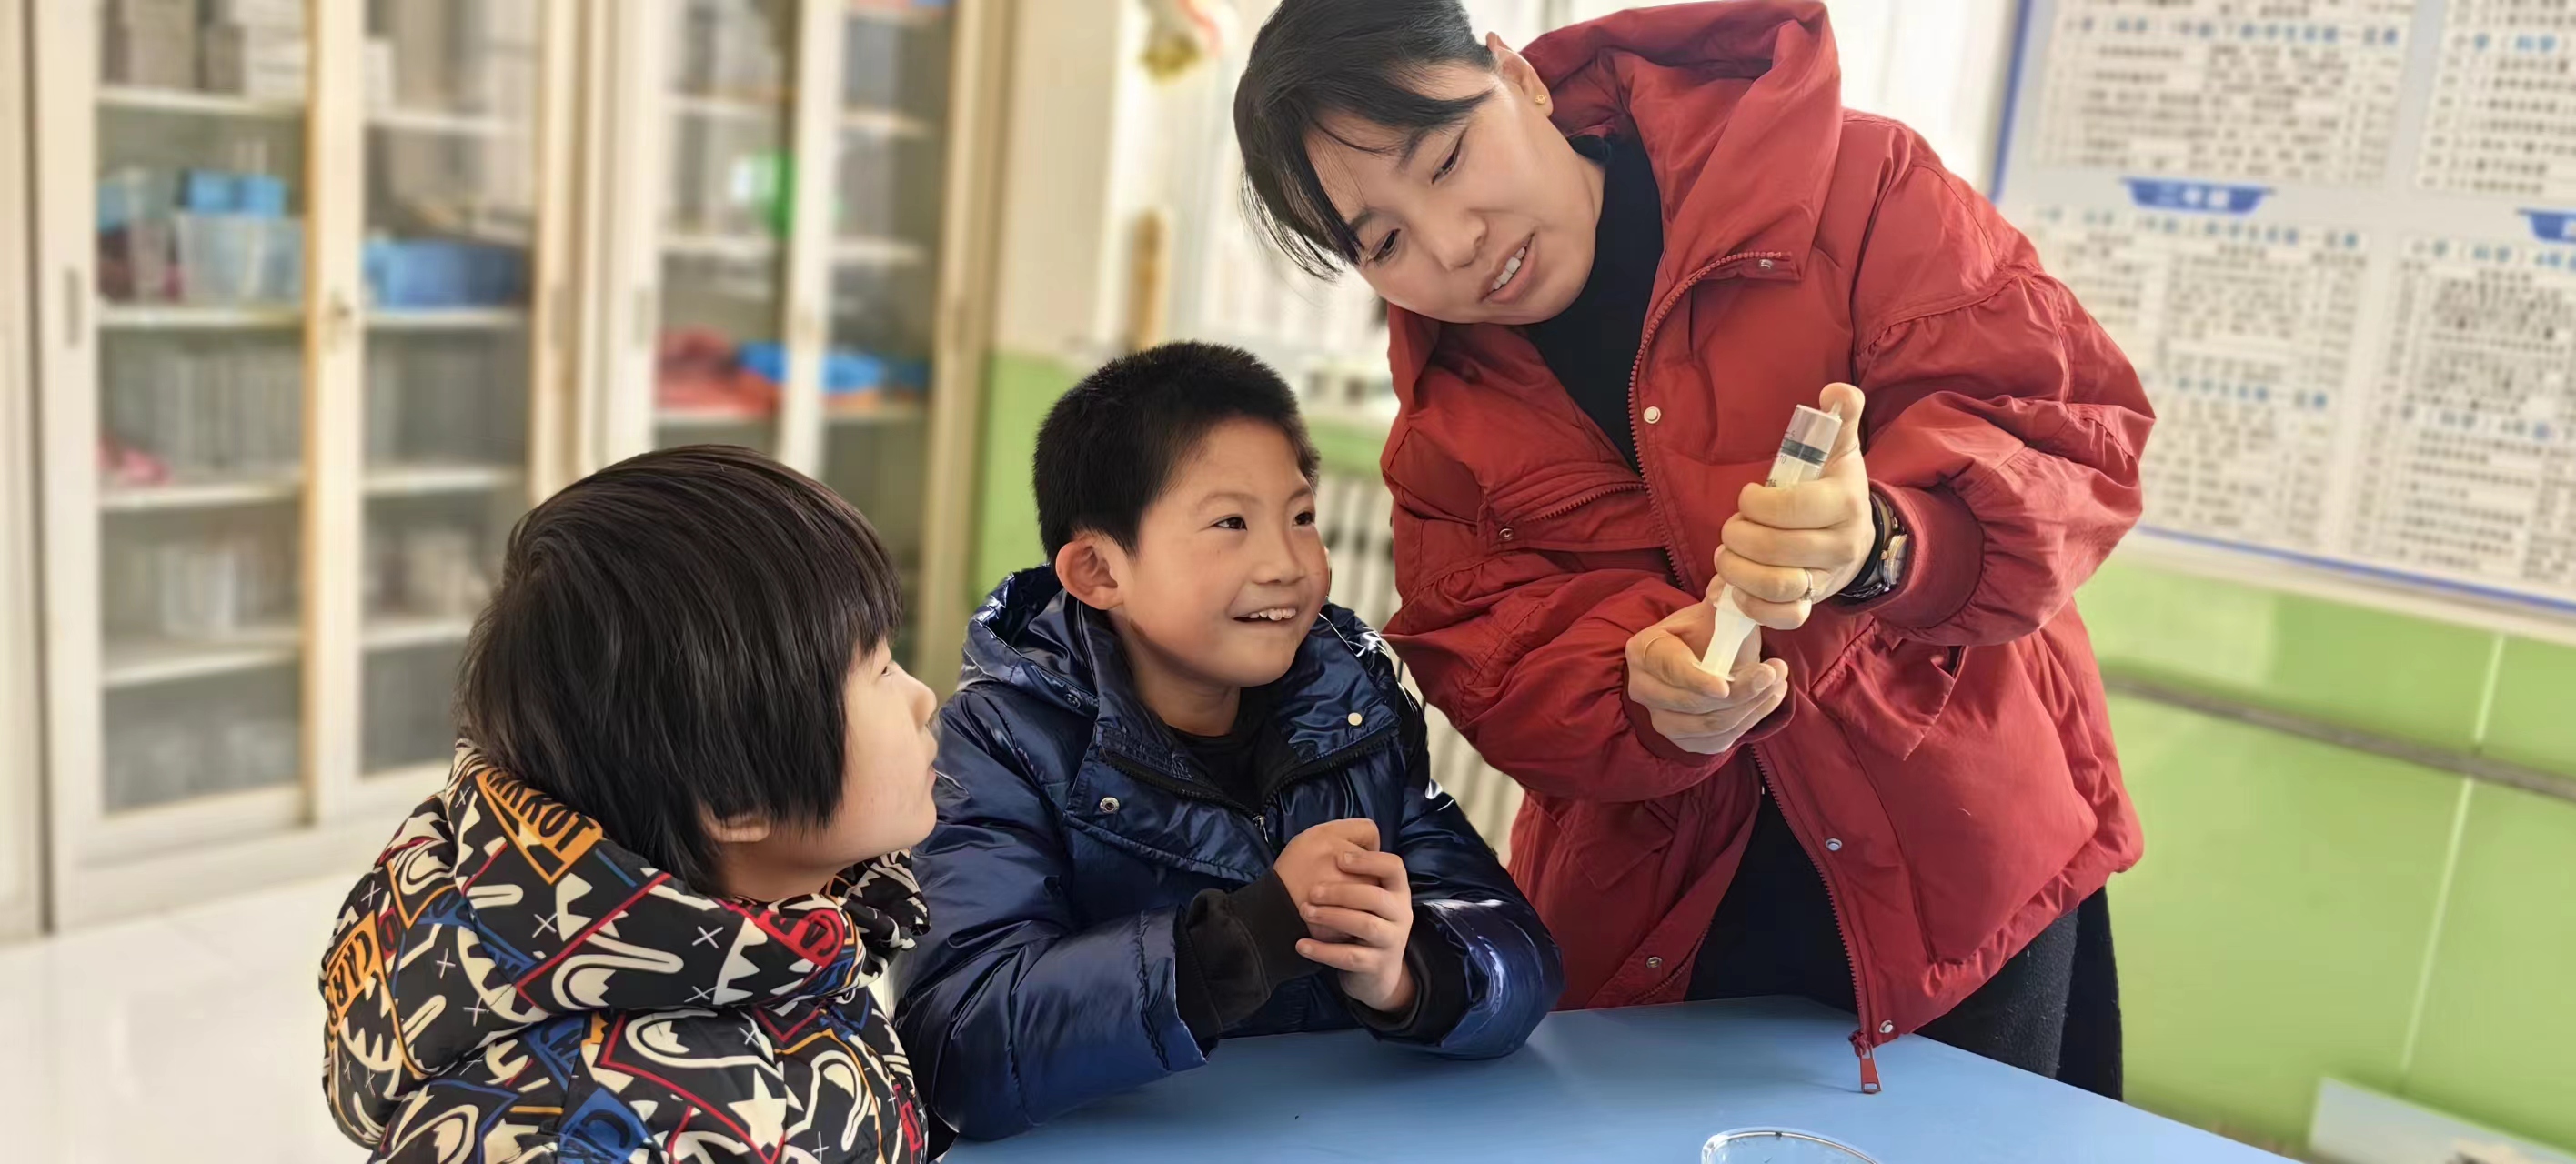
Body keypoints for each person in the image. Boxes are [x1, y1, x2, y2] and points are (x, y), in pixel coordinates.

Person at [1231, 0, 2152, 1095]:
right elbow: (1493, 661)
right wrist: (1638, 691)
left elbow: (2063, 433)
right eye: (1382, 241)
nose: (1453, 243)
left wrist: (1888, 538)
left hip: (1958, 863)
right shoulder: (1444, 438)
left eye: (1446, 158)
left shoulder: (1854, 186)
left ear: (1516, 76)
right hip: (1679, 914)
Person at [894, 342, 1561, 1143]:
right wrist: (1239, 943)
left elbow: (1520, 952)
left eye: (1302, 518)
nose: (1287, 564)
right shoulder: (1003, 738)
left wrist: (1408, 973)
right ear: (1099, 571)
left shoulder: (1352, 703)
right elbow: (959, 1042)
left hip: (1336, 1135)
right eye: (1230, 524)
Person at [319, 446, 942, 1163]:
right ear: (735, 793)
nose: (923, 698)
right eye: (881, 670)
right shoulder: (584, 1130)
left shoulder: (792, 917)